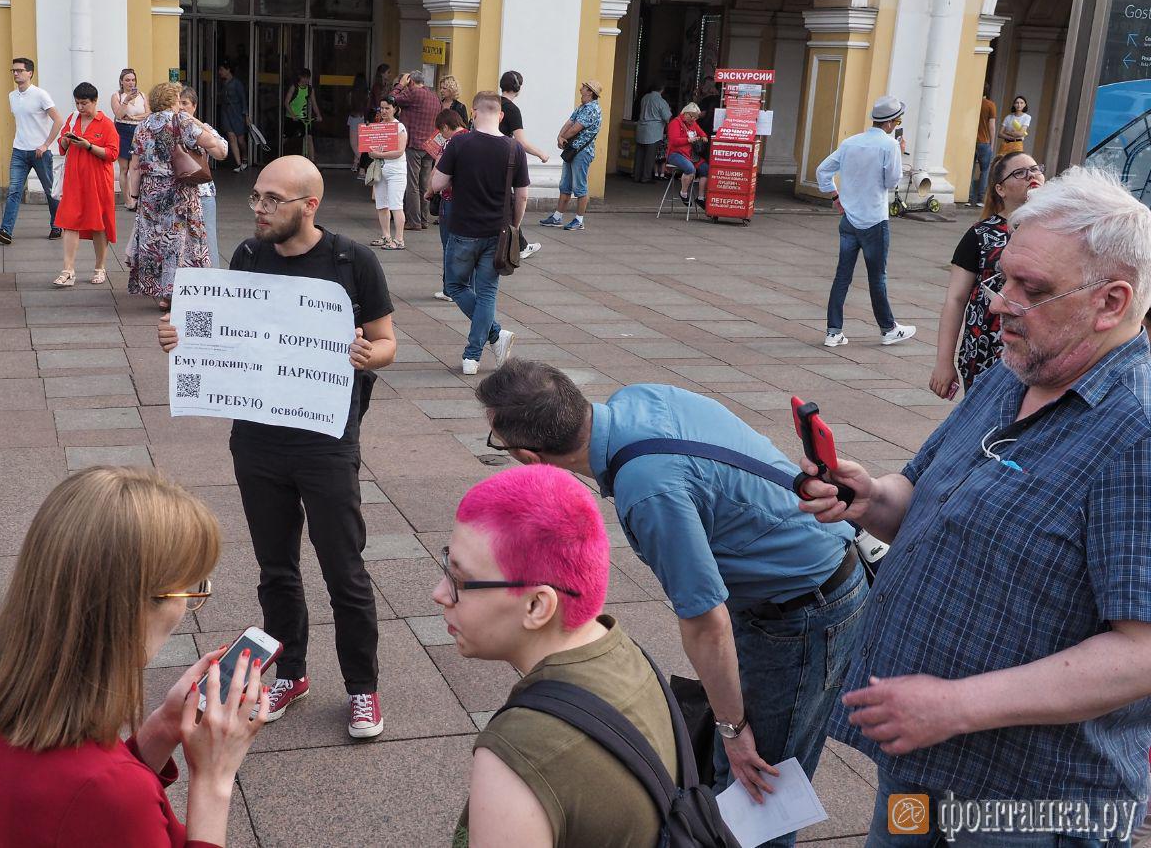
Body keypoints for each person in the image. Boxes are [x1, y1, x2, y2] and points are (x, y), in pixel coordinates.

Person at [799, 166, 1151, 846]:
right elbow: (920, 493)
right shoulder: (1016, 371)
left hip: (1030, 805)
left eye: (1032, 289)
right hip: (925, 761)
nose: (995, 303)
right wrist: (870, 498)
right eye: (1003, 278)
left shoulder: (1135, 433)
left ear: (1111, 302)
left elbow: (1140, 652)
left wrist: (956, 705)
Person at [475, 360, 867, 834]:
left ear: (528, 457)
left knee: (755, 784)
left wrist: (734, 732)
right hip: (804, 574)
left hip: (802, 611)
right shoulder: (642, 397)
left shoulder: (647, 492)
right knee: (748, 775)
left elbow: (706, 624)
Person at [157, 155, 398, 740]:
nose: (259, 209)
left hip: (326, 440)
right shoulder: (248, 256)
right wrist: (180, 336)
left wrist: (371, 355)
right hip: (258, 440)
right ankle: (290, 672)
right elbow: (226, 330)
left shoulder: (351, 261)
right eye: (257, 198)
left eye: (272, 200)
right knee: (276, 568)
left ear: (308, 206)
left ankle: (363, 688)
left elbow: (387, 340)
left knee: (345, 569)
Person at [0, 467, 268, 847]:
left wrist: (162, 727)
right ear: (132, 609)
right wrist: (213, 781)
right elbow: (99, 794)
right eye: (189, 589)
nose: (189, 604)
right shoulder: (117, 794)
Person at [439, 464, 678, 848]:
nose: (440, 593)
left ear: (537, 605)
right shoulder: (624, 652)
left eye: (460, 580)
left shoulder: (516, 759)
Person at [929, 152, 1045, 400]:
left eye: (1035, 169)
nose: (1032, 176)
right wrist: (943, 362)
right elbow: (955, 299)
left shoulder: (1058, 230)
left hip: (1038, 350)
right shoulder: (981, 235)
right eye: (1020, 173)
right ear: (1000, 189)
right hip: (985, 352)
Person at [430, 91, 526, 376]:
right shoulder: (514, 149)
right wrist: (515, 227)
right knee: (487, 293)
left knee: (456, 286)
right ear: (501, 115)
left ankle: (488, 341)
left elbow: (437, 183)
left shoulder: (459, 142)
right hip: (497, 232)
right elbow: (522, 196)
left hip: (462, 229)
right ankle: (477, 352)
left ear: (473, 113)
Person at [816, 94, 916, 348]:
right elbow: (891, 182)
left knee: (842, 277)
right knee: (877, 277)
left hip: (849, 219)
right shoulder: (890, 146)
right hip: (874, 220)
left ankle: (833, 331)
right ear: (892, 123)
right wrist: (900, 153)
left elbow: (822, 171)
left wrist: (835, 196)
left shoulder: (850, 143)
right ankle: (888, 328)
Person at [126, 82, 219, 310]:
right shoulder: (182, 120)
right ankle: (175, 293)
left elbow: (135, 167)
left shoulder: (142, 126)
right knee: (179, 242)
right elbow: (211, 143)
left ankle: (162, 290)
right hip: (178, 190)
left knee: (155, 242)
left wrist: (134, 196)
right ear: (172, 100)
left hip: (150, 192)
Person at [0, 57, 64, 246]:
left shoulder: (40, 95)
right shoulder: (12, 96)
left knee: (50, 191)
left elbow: (58, 120)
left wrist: (45, 145)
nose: (16, 73)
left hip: (40, 152)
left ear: (30, 73)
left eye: (20, 70)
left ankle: (57, 225)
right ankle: (6, 231)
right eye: (13, 71)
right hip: (19, 150)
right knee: (14, 191)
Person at [52, 82, 120, 289]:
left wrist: (89, 146)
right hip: (74, 180)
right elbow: (62, 147)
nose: (80, 107)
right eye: (77, 103)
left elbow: (112, 154)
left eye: (84, 103)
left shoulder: (106, 124)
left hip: (98, 181)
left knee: (98, 224)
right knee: (69, 222)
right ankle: (68, 269)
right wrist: (66, 140)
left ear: (95, 101)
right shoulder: (73, 120)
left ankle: (100, 267)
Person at [498, 70, 549, 259]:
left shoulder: (492, 104)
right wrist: (541, 154)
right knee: (512, 202)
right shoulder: (512, 109)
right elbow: (521, 142)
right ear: (518, 88)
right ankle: (517, 245)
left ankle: (521, 244)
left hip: (482, 154)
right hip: (502, 159)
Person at [540, 79, 603, 232]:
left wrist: (563, 138)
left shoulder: (591, 109)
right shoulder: (582, 107)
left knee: (580, 186)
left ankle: (579, 220)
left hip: (581, 152)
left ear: (590, 92)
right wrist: (560, 136)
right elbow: (569, 123)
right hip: (573, 150)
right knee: (565, 185)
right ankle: (557, 217)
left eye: (584, 87)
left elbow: (575, 128)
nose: (581, 88)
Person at [179, 87, 230, 268]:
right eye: (178, 103)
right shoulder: (171, 127)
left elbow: (222, 152)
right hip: (178, 192)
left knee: (207, 237)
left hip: (202, 191)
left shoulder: (202, 128)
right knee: (179, 240)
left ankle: (211, 278)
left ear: (194, 106)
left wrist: (196, 123)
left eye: (185, 103)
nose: (181, 108)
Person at [390, 70, 442, 231]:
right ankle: (424, 219)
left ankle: (414, 221)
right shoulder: (433, 96)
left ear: (411, 81)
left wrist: (400, 84)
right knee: (424, 184)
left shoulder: (413, 93)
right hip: (429, 146)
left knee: (412, 184)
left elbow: (391, 99)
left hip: (414, 144)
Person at [425, 107, 467, 302]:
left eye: (440, 130)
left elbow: (437, 173)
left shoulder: (450, 143)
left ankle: (449, 289)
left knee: (449, 245)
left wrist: (430, 191)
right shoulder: (472, 138)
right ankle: (465, 286)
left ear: (445, 127)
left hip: (449, 200)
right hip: (468, 201)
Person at [369, 96, 408, 250]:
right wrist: (372, 152)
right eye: (382, 108)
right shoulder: (378, 126)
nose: (384, 111)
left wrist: (379, 155)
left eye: (387, 108)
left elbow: (399, 151)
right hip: (381, 170)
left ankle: (399, 239)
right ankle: (386, 236)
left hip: (396, 171)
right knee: (381, 204)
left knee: (396, 205)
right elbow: (372, 147)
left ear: (395, 109)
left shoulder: (399, 127)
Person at [112, 69, 149, 211]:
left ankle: (136, 198)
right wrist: (126, 101)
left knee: (137, 167)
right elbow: (119, 115)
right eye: (127, 80)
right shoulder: (117, 96)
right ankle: (127, 200)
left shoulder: (142, 95)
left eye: (133, 80)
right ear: (121, 81)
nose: (130, 83)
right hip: (122, 131)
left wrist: (134, 118)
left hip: (139, 131)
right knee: (124, 168)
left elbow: (148, 113)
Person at [666, 102, 709, 206]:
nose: (693, 120)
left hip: (690, 154)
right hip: (675, 153)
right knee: (690, 169)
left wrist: (703, 137)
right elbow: (674, 141)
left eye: (696, 118)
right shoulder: (675, 123)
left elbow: (702, 133)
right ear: (686, 113)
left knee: (706, 169)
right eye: (692, 117)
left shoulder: (693, 123)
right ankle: (683, 193)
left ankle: (700, 197)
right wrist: (689, 140)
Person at [633, 82, 671, 184]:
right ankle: (646, 177)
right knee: (650, 156)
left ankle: (636, 176)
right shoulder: (661, 101)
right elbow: (667, 117)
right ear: (662, 89)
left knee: (639, 155)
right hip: (653, 131)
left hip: (641, 127)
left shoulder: (645, 97)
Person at [283, 68, 322, 162]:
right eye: (304, 77)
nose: (305, 80)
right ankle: (280, 156)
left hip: (303, 118)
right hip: (291, 117)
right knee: (286, 138)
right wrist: (292, 115)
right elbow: (286, 102)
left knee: (309, 137)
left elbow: (314, 103)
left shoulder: (310, 89)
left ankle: (312, 162)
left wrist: (318, 114)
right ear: (300, 77)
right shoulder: (294, 87)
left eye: (307, 78)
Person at [217, 61, 249, 172]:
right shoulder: (223, 83)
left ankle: (245, 158)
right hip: (226, 112)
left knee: (240, 139)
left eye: (221, 69)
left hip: (237, 112)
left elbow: (243, 99)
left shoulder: (237, 83)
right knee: (231, 137)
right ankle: (239, 164)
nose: (219, 72)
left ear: (228, 70)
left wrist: (246, 115)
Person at [969, 83, 997, 207]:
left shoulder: (972, 103)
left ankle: (968, 198)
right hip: (984, 142)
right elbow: (992, 126)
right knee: (984, 171)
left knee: (970, 170)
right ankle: (980, 199)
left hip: (970, 142)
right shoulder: (990, 105)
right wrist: (992, 143)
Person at [347, 72, 369, 172]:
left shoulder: (351, 93)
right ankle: (356, 164)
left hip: (354, 117)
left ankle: (362, 161)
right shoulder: (367, 93)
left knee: (354, 143)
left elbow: (349, 105)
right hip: (364, 118)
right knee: (361, 144)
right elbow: (368, 107)